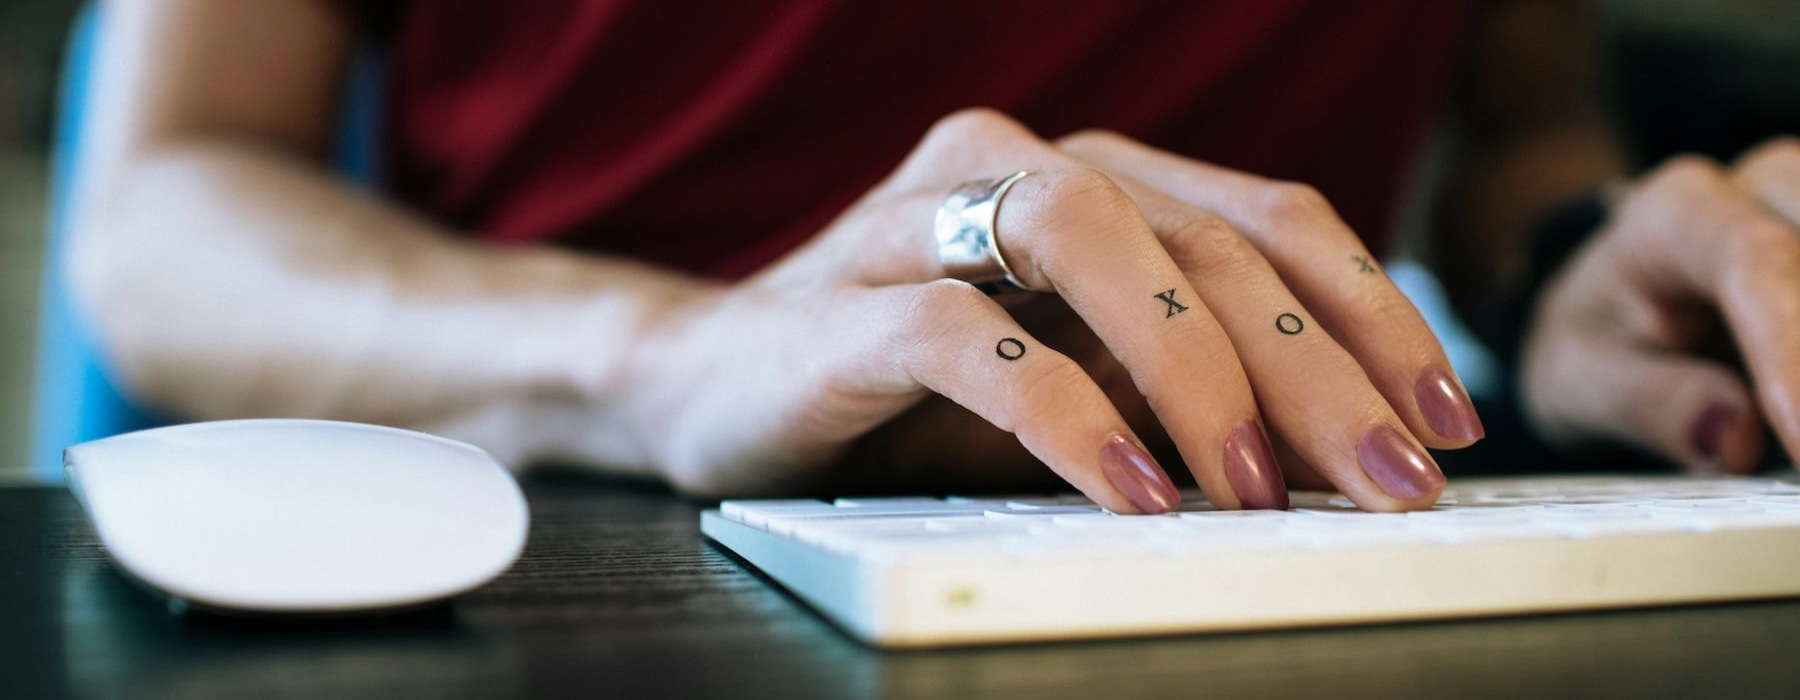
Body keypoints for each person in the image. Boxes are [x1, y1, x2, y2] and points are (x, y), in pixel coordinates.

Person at [69, 0, 1798, 514]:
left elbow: (1518, 114)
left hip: (1244, 545)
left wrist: (1574, 258)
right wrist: (676, 356)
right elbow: (163, 210)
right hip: (599, 523)